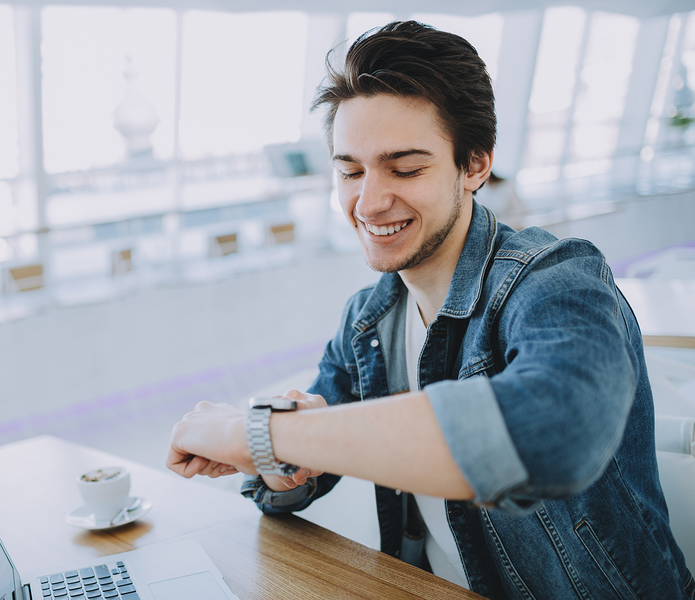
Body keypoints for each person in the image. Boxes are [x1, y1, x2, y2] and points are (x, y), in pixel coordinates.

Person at [166, 20, 692, 600]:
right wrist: (275, 451)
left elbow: (551, 435)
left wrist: (260, 431)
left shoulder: (557, 279)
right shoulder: (367, 320)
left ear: (474, 165)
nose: (368, 201)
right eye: (349, 171)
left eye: (405, 168)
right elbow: (294, 486)